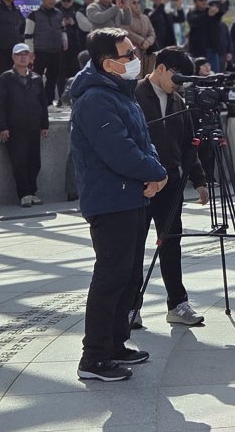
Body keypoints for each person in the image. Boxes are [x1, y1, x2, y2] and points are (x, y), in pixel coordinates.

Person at [69, 28, 168, 382]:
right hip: (111, 200)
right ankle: (93, 357)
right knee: (111, 277)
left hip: (131, 195)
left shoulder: (119, 93)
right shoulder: (96, 99)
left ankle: (115, 343)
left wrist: (156, 173)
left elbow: (144, 140)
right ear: (108, 63)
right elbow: (119, 150)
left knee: (127, 276)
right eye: (128, 55)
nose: (136, 60)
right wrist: (156, 173)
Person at [134, 48, 212, 327]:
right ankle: (131, 306)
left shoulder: (178, 101)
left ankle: (177, 303)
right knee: (134, 245)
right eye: (176, 77)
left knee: (172, 242)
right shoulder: (133, 95)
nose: (178, 84)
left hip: (171, 182)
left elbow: (188, 143)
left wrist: (200, 180)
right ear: (162, 68)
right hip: (139, 183)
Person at [0, 43, 50, 207]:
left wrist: (44, 125)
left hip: (33, 126)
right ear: (13, 57)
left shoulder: (36, 78)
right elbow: (0, 104)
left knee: (34, 161)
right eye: (19, 54)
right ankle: (24, 194)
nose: (23, 57)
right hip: (14, 127)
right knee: (19, 161)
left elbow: (43, 102)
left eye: (26, 54)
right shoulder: (5, 78)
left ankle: (33, 192)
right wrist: (2, 126)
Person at [29, 0, 68, 105]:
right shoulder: (33, 14)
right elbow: (28, 34)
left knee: (52, 79)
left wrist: (64, 41)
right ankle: (34, 101)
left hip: (55, 51)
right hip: (39, 51)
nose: (52, 1)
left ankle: (49, 102)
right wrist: (30, 51)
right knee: (36, 78)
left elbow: (62, 29)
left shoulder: (59, 13)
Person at [185, 0, 227, 72]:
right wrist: (208, 15)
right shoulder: (191, 13)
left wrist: (219, 3)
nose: (204, 1)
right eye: (201, 0)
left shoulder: (212, 11)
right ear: (195, 2)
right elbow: (193, 22)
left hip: (212, 51)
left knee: (214, 77)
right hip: (197, 52)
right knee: (197, 76)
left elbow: (224, 8)